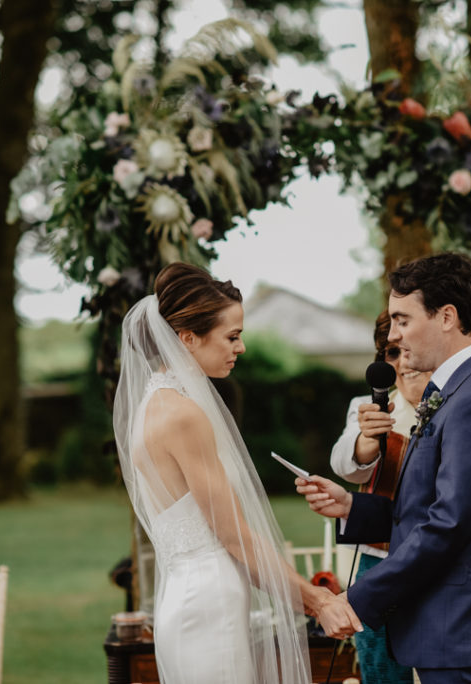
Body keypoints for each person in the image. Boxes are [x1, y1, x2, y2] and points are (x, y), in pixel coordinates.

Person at [113, 262, 360, 684]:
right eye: (232, 336)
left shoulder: (154, 405)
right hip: (208, 606)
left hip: (185, 598)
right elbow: (235, 537)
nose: (240, 348)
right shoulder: (183, 415)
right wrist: (319, 600)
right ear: (188, 339)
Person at [299, 253, 471, 684]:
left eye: (403, 320)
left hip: (462, 630)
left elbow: (448, 525)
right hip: (445, 631)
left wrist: (357, 599)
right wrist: (353, 507)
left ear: (446, 317)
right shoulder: (452, 391)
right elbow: (422, 510)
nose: (396, 334)